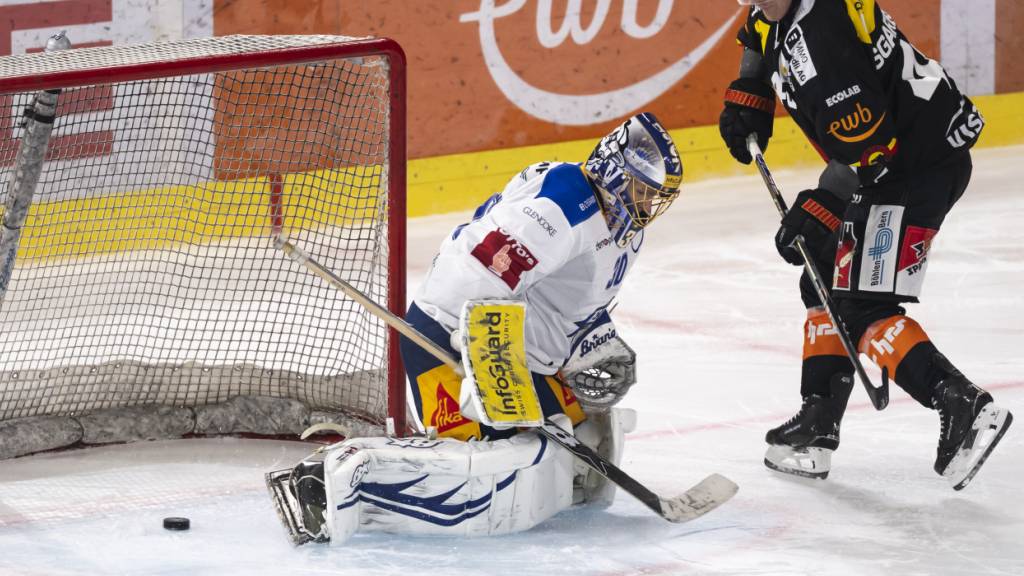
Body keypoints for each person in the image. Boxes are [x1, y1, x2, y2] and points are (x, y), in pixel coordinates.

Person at [268, 112, 684, 545]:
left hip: (518, 352)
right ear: (614, 171)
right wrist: (485, 369)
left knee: (573, 432)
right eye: (643, 189)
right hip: (448, 337)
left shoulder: (624, 226)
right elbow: (471, 275)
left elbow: (572, 304)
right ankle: (331, 476)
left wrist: (596, 344)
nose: (649, 204)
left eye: (656, 196)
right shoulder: (561, 206)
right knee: (487, 463)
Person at [719, 0, 1012, 489]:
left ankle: (963, 404)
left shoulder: (821, 38)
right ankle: (817, 423)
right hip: (897, 161)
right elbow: (757, 29)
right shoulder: (782, 8)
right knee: (822, 281)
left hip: (910, 170)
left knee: (859, 303)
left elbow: (869, 150)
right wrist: (751, 90)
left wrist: (822, 207)